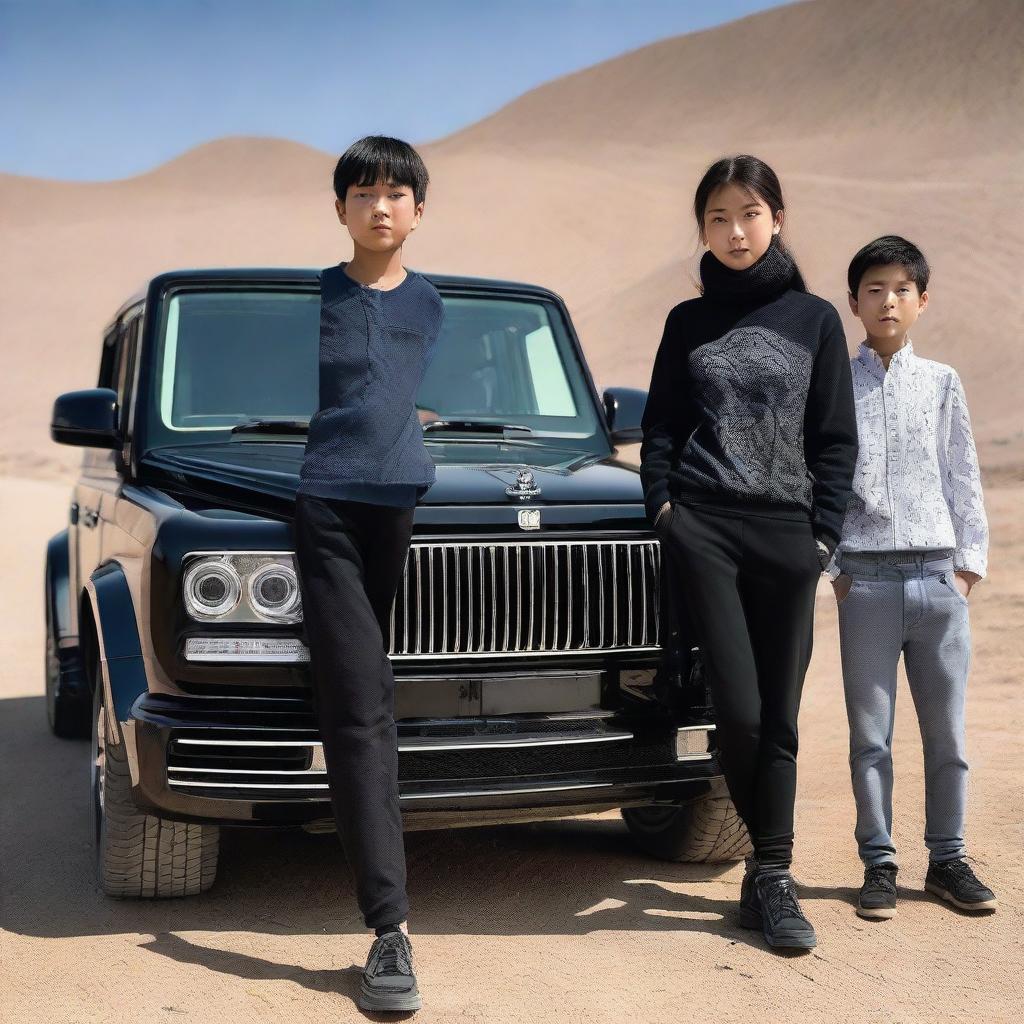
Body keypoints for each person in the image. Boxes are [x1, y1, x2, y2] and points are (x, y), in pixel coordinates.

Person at [640, 154, 858, 950]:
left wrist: (823, 535)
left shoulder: (816, 319)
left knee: (782, 715)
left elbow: (836, 439)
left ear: (777, 219)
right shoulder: (686, 322)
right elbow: (660, 424)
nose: (735, 232)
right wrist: (665, 509)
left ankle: (769, 874)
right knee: (737, 708)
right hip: (705, 528)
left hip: (786, 535)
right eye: (718, 218)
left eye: (749, 214)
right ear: (703, 228)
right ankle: (771, 870)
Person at [291, 135, 445, 1013]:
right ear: (341, 208)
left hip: (412, 510)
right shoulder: (313, 299)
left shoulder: (433, 305)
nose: (380, 205)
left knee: (387, 701)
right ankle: (390, 930)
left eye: (395, 193)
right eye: (363, 192)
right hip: (331, 510)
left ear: (419, 210)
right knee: (359, 706)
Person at [828, 235, 996, 920]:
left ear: (921, 301)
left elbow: (964, 474)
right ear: (854, 303)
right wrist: (837, 569)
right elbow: (825, 480)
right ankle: (880, 862)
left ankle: (947, 860)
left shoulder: (942, 382)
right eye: (874, 288)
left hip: (936, 580)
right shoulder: (835, 381)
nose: (887, 299)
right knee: (871, 738)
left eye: (901, 288)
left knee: (947, 736)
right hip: (863, 585)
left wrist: (966, 568)